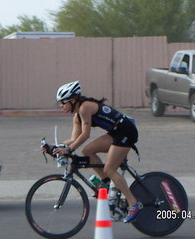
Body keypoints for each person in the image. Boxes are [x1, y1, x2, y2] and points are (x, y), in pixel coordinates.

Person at [50, 80, 142, 223]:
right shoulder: (77, 116)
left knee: (110, 169)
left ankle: (134, 204)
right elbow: (74, 138)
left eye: (63, 102)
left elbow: (85, 135)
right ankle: (106, 183)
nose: (61, 106)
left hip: (126, 131)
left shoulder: (84, 108)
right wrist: (55, 147)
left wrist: (69, 149)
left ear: (73, 100)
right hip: (116, 132)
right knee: (87, 151)